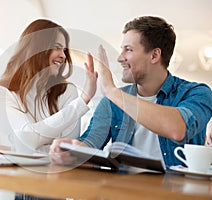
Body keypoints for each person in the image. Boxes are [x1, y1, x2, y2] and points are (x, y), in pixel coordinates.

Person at [49, 16, 212, 170]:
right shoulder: (111, 102)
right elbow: (90, 143)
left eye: (128, 50)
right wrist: (72, 151)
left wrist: (112, 91)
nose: (120, 58)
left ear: (155, 55)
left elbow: (178, 129)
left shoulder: (197, 93)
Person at [0, 19, 98, 200]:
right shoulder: (0, 93)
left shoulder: (67, 91)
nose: (62, 55)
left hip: (48, 189)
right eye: (56, 47)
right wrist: (82, 102)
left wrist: (18, 150)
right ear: (36, 48)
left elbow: (65, 152)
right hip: (8, 189)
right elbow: (27, 139)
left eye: (64, 50)